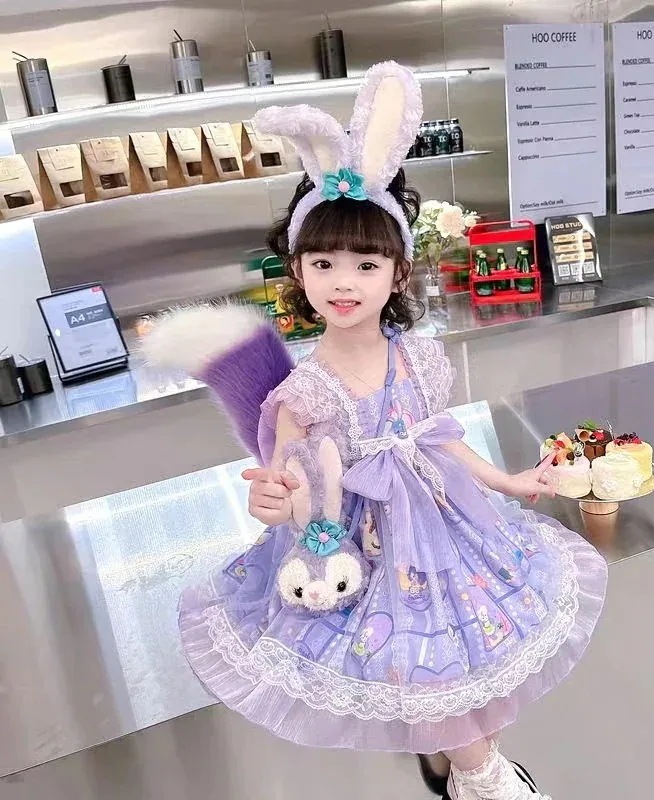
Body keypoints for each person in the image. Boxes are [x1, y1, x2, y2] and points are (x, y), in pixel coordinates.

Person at [144, 61, 607, 800]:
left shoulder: (419, 358)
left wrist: (508, 480)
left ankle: (454, 767)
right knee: (423, 672)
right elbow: (296, 488)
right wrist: (274, 503)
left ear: (398, 271)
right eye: (323, 262)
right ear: (297, 271)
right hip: (365, 549)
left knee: (469, 658)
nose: (343, 281)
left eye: (365, 262)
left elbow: (437, 440)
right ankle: (482, 778)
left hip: (449, 532)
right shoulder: (302, 393)